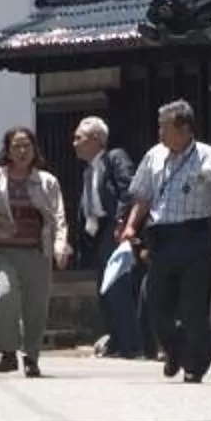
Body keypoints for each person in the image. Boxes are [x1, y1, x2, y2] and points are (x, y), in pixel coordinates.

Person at [124, 100, 211, 384]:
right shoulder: (154, 155)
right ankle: (174, 348)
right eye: (160, 127)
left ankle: (195, 364)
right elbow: (143, 195)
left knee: (193, 306)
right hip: (161, 239)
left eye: (165, 127)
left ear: (185, 128)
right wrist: (130, 225)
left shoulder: (206, 156)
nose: (160, 133)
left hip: (196, 237)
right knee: (155, 303)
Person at [0, 128, 71, 377]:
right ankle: (7, 353)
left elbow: (58, 217)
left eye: (26, 145)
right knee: (6, 295)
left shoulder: (47, 181)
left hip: (37, 252)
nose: (21, 151)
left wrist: (60, 245)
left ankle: (32, 356)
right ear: (7, 150)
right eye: (16, 146)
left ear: (34, 149)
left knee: (35, 306)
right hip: (4, 251)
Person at [74, 119, 145, 360]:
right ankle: (115, 340)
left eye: (79, 138)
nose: (74, 144)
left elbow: (129, 189)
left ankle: (131, 344)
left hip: (116, 229)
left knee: (118, 288)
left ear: (96, 139)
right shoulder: (89, 170)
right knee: (104, 291)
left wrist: (122, 222)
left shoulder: (114, 158)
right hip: (99, 232)